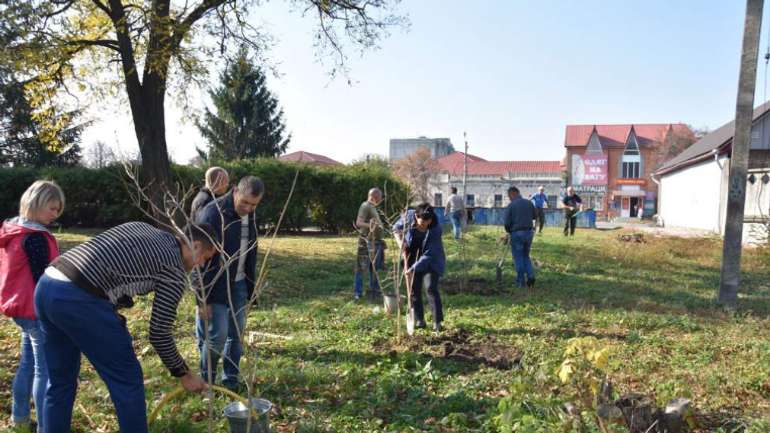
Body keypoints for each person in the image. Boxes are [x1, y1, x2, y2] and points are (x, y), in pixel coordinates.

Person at [34, 222, 217, 433]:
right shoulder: (174, 270)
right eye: (205, 257)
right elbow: (159, 332)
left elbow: (113, 263)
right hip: (79, 299)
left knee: (60, 381)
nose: (201, 265)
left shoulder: (146, 229)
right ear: (194, 246)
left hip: (48, 284)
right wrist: (184, 374)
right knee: (127, 379)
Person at [0, 180, 65, 433]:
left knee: (27, 364)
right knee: (44, 369)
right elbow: (44, 277)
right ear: (37, 203)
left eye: (58, 209)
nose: (56, 214)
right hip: (35, 309)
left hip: (20, 307)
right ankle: (45, 427)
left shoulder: (15, 230)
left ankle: (20, 419)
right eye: (52, 208)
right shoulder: (35, 237)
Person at [195, 176, 263, 392]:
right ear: (235, 191)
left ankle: (230, 382)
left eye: (253, 205)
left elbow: (250, 251)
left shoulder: (250, 215)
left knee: (236, 335)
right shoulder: (213, 214)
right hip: (215, 286)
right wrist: (201, 298)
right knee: (217, 336)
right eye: (244, 202)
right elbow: (198, 261)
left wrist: (251, 289)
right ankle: (207, 384)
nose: (248, 209)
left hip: (240, 283)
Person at [393, 203, 446, 332]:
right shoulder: (409, 217)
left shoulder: (435, 228)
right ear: (416, 217)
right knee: (414, 289)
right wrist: (401, 242)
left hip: (431, 260)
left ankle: (437, 322)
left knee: (430, 288)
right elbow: (395, 228)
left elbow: (429, 255)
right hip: (411, 255)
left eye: (428, 222)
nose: (425, 225)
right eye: (422, 223)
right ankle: (419, 320)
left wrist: (412, 269)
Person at [354, 188, 386, 301]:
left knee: (375, 268)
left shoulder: (373, 207)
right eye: (380, 197)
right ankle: (358, 293)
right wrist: (371, 226)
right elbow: (359, 223)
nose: (381, 199)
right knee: (361, 268)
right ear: (375, 196)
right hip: (366, 242)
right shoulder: (365, 206)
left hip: (376, 242)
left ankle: (374, 291)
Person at [503, 186, 537, 288]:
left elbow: (506, 223)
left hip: (517, 234)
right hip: (529, 233)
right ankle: (530, 275)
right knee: (526, 255)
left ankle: (520, 282)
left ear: (513, 193)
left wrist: (509, 232)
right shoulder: (529, 203)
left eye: (509, 196)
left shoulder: (511, 205)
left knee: (518, 257)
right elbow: (535, 216)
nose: (509, 198)